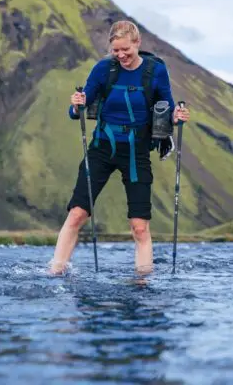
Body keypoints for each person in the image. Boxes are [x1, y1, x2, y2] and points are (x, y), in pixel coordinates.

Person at [50, 20, 190, 275]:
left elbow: (168, 108)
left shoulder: (155, 71)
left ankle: (142, 282)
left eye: (126, 49)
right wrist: (76, 104)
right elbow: (79, 109)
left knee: (139, 226)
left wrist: (177, 117)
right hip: (102, 148)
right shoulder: (104, 69)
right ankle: (55, 272)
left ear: (137, 43)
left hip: (137, 152)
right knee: (77, 213)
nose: (121, 55)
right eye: (116, 51)